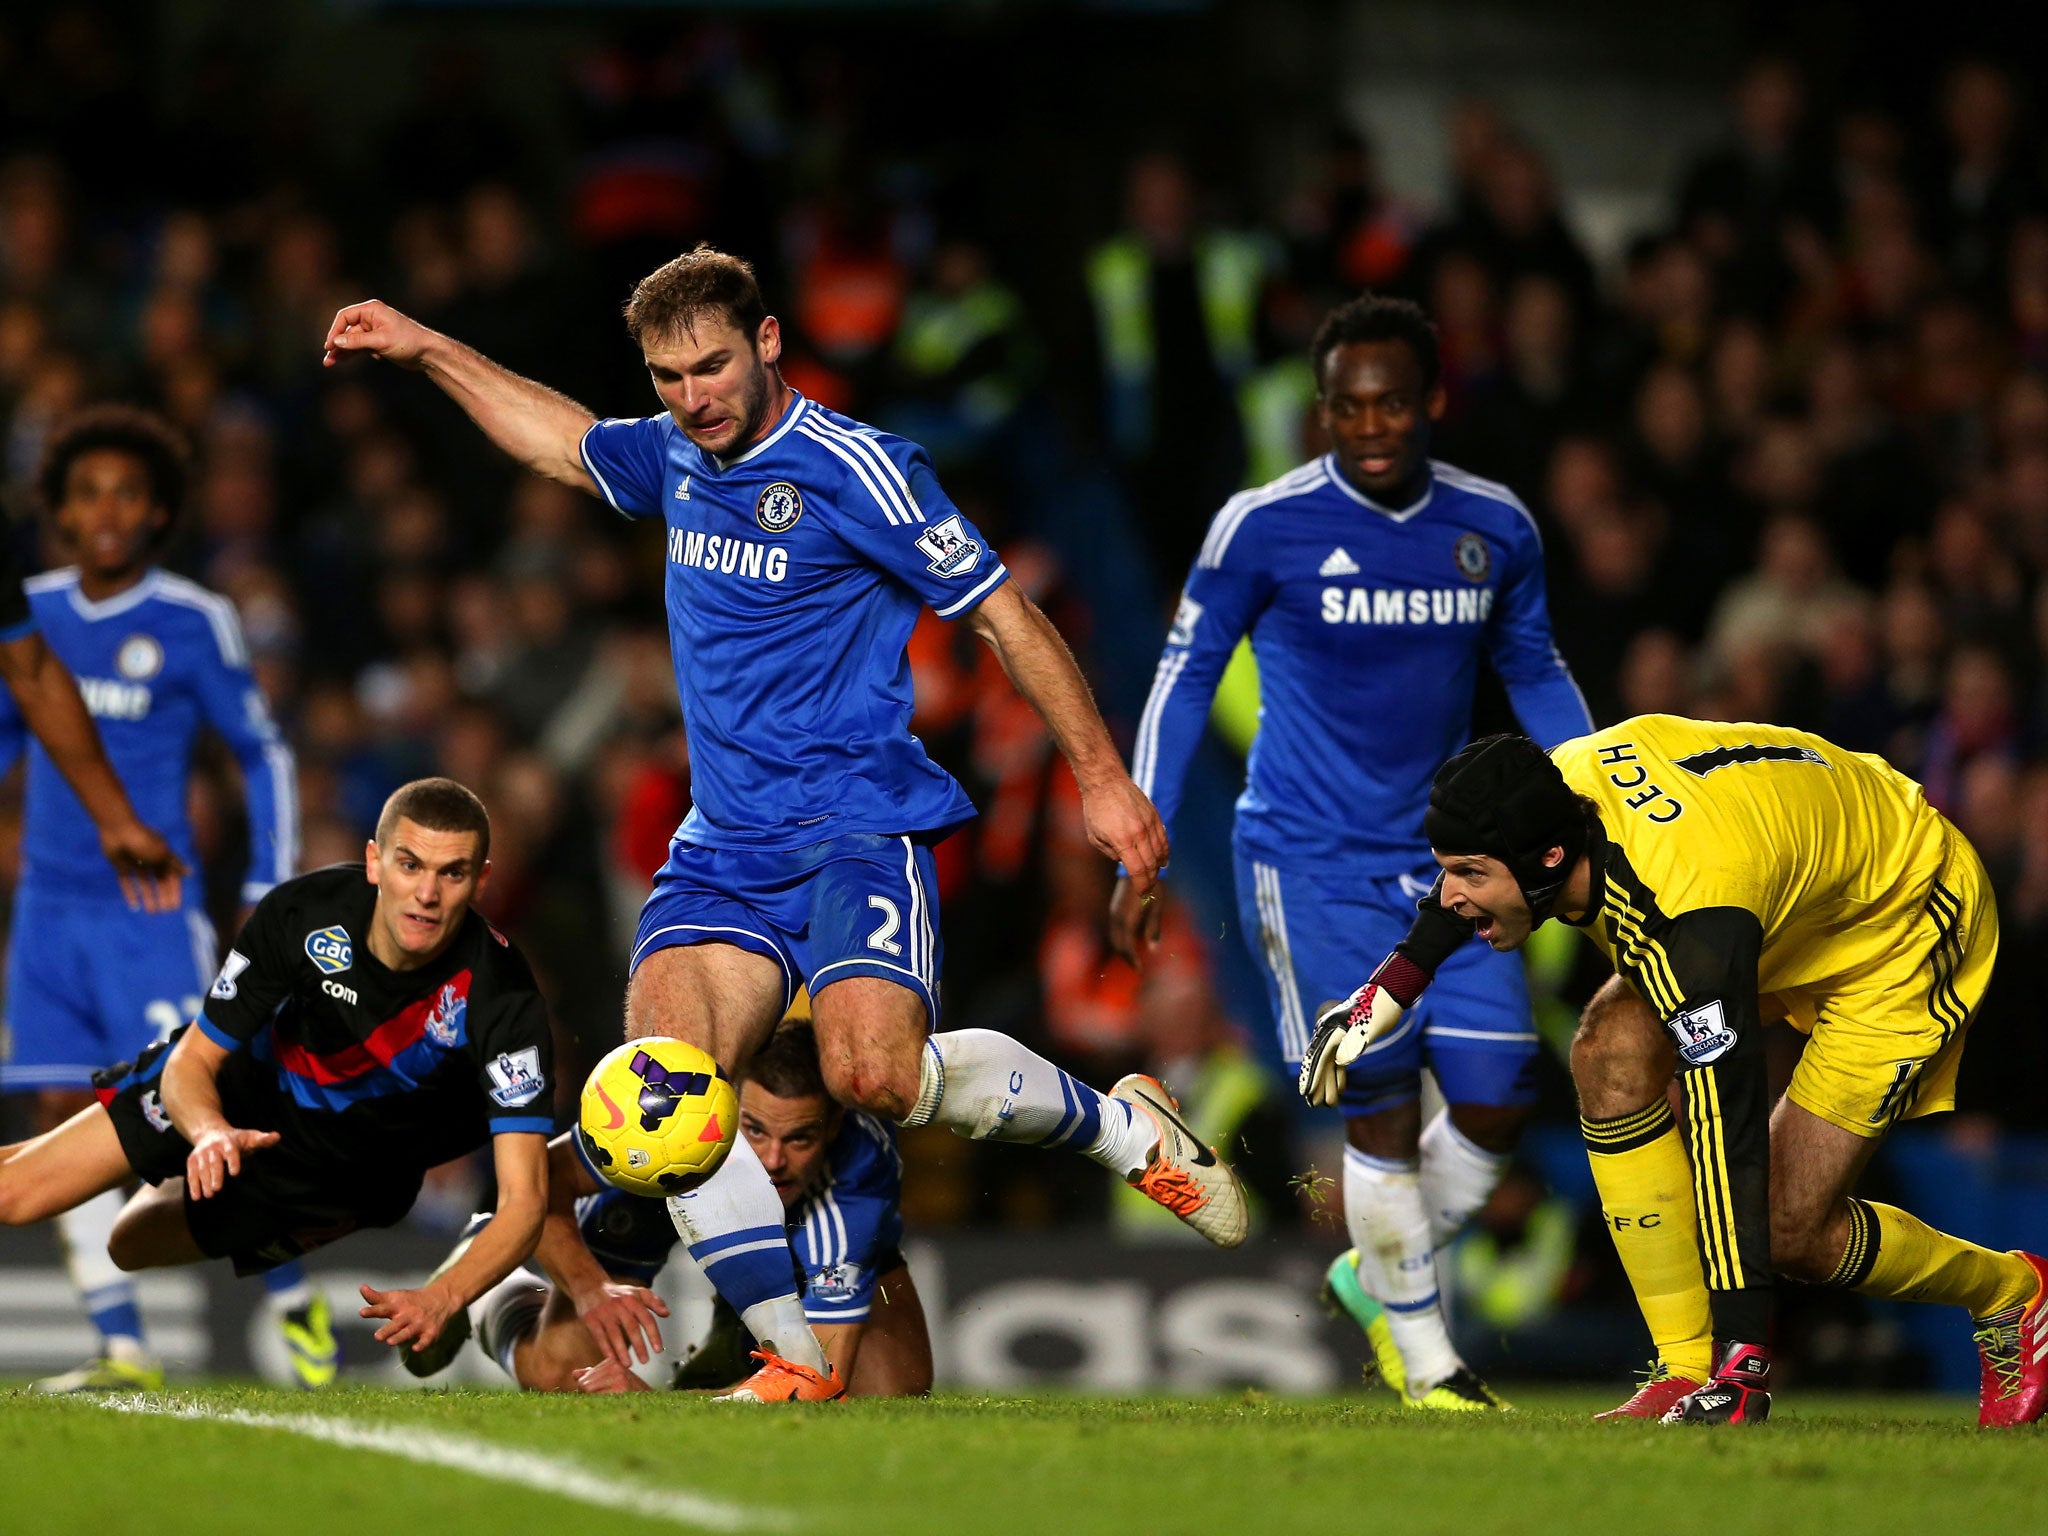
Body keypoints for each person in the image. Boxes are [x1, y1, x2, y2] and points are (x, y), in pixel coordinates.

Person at [323, 243, 1239, 1406]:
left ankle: (1122, 1132)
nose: (691, 397)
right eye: (665, 376)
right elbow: (558, 438)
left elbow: (1005, 615)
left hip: (857, 828)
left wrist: (1101, 781)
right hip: (724, 849)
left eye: (710, 366)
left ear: (765, 343)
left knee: (872, 1078)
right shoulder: (672, 457)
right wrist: (426, 345)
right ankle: (785, 1353)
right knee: (669, 1089)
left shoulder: (860, 468)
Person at [1115, 294, 1591, 1410]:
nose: (1369, 423)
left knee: (1496, 1091)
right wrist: (1142, 835)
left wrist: (1600, 793)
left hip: (1450, 864)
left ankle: (1370, 1270)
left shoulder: (1494, 529)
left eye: (1390, 402)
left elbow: (1533, 672)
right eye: (1346, 405)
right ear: (1319, 413)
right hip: (1306, 859)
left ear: (1430, 401)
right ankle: (1429, 1363)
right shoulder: (1259, 526)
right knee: (1373, 1098)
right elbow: (1184, 675)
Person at [1305, 721, 2048, 1426]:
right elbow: (1472, 879)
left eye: (1470, 873)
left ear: (1550, 862)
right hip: (1792, 884)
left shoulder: (1686, 921)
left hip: (1902, 920)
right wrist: (1384, 994)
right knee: (1608, 1053)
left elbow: (1728, 1126)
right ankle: (1682, 1369)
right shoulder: (1547, 794)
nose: (1453, 891)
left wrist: (1748, 1357)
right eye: (1448, 870)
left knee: (1788, 1227)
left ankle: (2010, 1293)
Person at [0, 778, 554, 1380]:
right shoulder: (302, 913)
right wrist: (210, 1131)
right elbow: (194, 1062)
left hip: (347, 1172)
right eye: (409, 864)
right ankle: (180, 1153)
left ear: (481, 881)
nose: (426, 894)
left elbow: (525, 1202)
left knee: (127, 1242)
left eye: (452, 873)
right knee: (16, 1192)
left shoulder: (503, 997)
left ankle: (459, 1280)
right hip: (242, 1092)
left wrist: (442, 1297)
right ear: (375, 861)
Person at [0, 405, 307, 1393]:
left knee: (194, 1111)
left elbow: (258, 750)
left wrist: (268, 881)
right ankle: (123, 1344)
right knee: (58, 1113)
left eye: (128, 493)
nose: (107, 511)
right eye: (87, 492)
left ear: (161, 511)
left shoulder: (191, 620)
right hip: (47, 910)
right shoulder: (30, 609)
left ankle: (293, 1304)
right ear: (56, 509)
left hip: (149, 915)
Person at [455, 1018, 930, 1397]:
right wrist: (588, 1288)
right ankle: (492, 1285)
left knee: (890, 1391)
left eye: (799, 1138)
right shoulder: (676, 1115)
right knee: (562, 1374)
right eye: (756, 1129)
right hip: (662, 1199)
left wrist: (653, 1403)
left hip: (816, 1236)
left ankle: (738, 1332)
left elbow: (813, 1384)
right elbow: (542, 1182)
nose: (773, 1161)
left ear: (832, 1129)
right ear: (728, 1103)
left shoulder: (856, 1183)